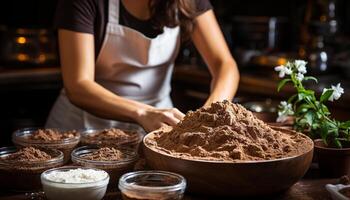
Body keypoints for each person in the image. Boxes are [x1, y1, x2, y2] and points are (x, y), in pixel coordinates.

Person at [46, 0, 240, 132]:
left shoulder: (186, 2)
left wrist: (211, 111)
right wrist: (143, 112)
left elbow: (224, 65)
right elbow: (78, 85)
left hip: (161, 127)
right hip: (84, 127)